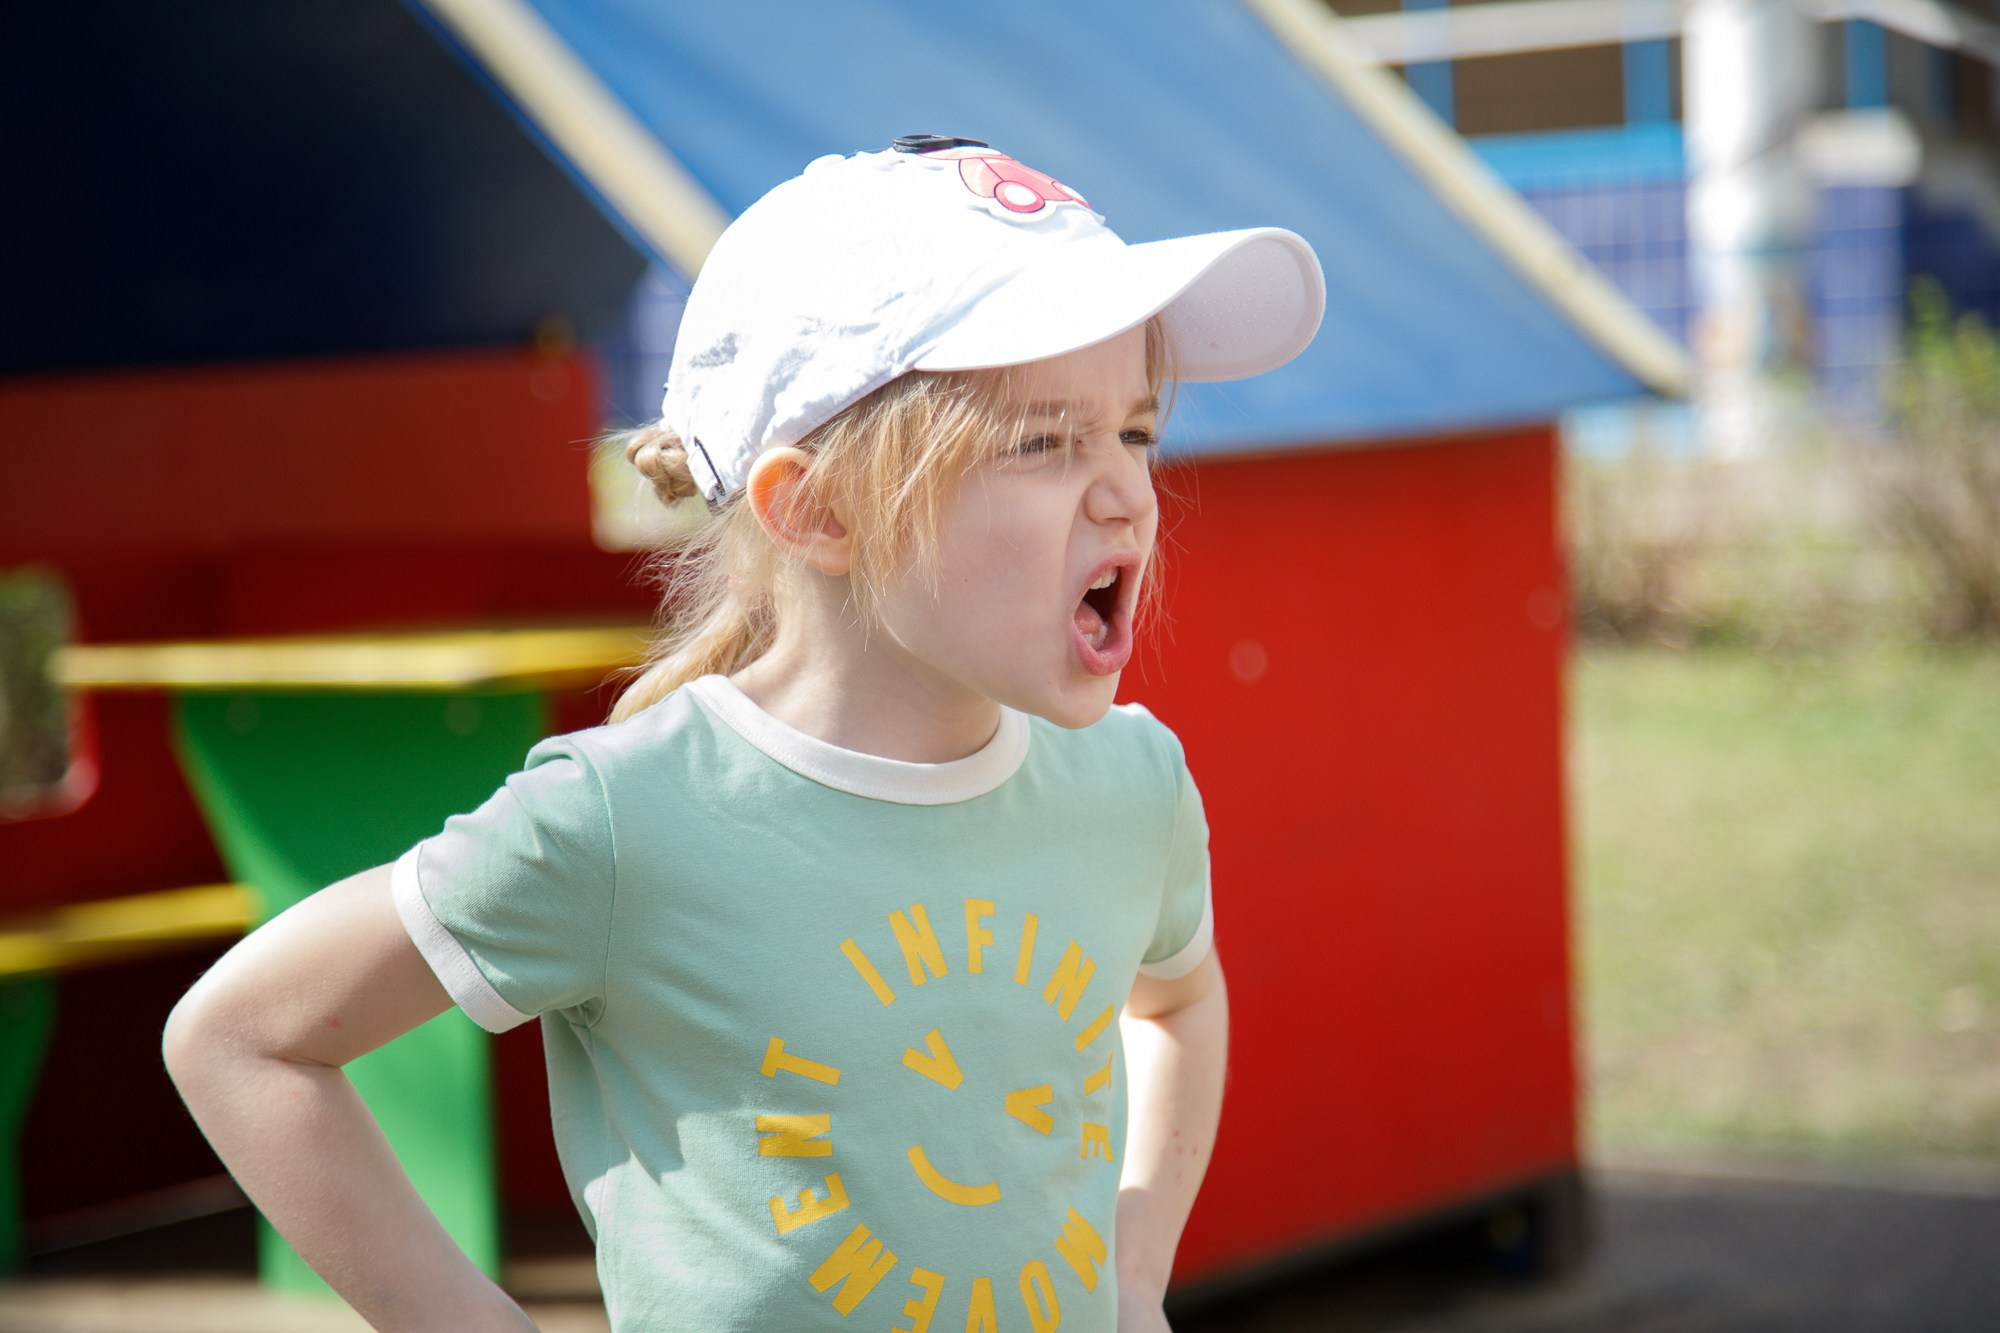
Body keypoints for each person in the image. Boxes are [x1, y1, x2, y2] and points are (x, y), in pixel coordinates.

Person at [164, 135, 1324, 1332]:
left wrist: (1134, 1260)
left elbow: (1176, 998)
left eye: (1132, 430)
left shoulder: (1129, 785)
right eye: (1041, 441)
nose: (1129, 491)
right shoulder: (624, 820)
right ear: (816, 510)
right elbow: (243, 1040)